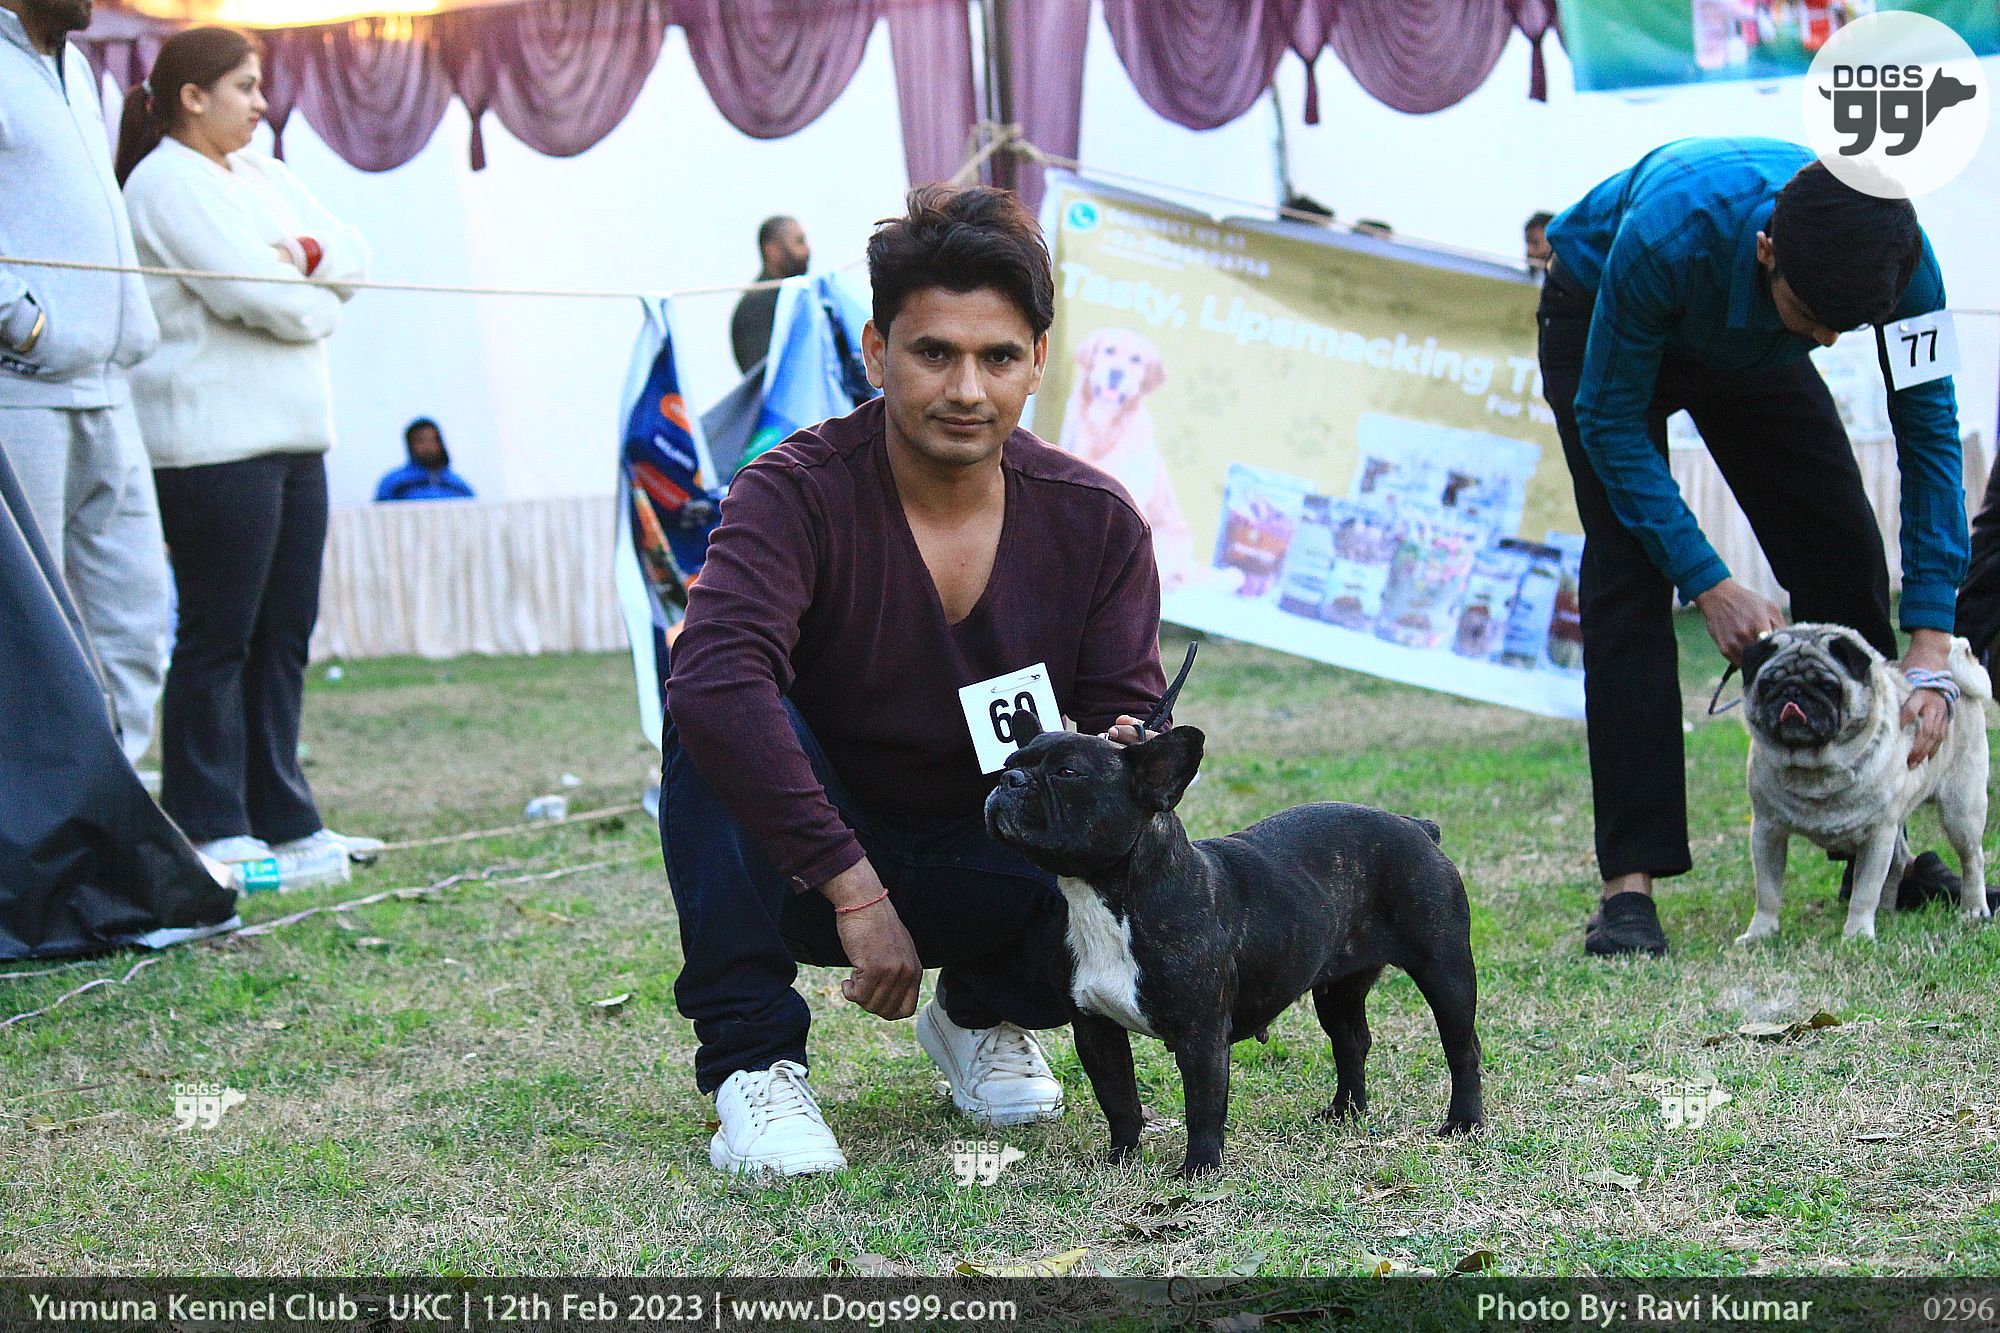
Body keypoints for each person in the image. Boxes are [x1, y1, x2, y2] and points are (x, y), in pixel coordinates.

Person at [664, 184, 1168, 1178]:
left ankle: (976, 1011)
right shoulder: (792, 492)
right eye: (933, 352)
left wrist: (1123, 752)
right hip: (809, 869)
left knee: (1119, 831)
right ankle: (753, 1062)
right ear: (874, 352)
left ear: (1037, 361)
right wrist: (854, 888)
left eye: (998, 357)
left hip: (991, 857)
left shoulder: (1096, 520)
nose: (966, 390)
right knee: (711, 698)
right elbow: (717, 682)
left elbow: (1128, 710)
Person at [1538, 137, 1968, 958]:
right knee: (1628, 573)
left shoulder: (1904, 263)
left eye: (1846, 326)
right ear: (1768, 249)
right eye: (1817, 319)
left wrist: (1930, 640)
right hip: (1600, 309)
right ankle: (1629, 889)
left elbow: (1930, 433)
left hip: (1755, 343)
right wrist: (1708, 581)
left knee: (1841, 544)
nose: (1830, 340)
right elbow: (1609, 421)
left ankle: (1881, 847)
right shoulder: (1667, 237)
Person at [117, 27, 381, 870]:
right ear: (192, 97)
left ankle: (285, 818)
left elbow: (356, 254)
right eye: (244, 87)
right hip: (210, 448)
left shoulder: (264, 174)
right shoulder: (164, 182)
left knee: (285, 634)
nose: (262, 104)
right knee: (219, 634)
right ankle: (208, 820)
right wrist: (318, 297)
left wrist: (304, 256)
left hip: (298, 438)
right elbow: (259, 296)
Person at [1, 0, 172, 769]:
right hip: (22, 392)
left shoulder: (73, 63)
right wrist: (27, 327)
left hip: (110, 385)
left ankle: (117, 806)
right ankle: (38, 821)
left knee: (135, 616)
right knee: (31, 629)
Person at [728, 215, 810, 376]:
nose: (807, 250)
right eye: (799, 242)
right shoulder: (754, 307)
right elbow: (762, 375)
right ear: (773, 251)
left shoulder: (800, 297)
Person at [374, 417, 476, 502]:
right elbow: (379, 516)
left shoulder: (459, 486)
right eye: (421, 441)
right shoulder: (394, 483)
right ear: (410, 445)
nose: (428, 446)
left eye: (433, 440)